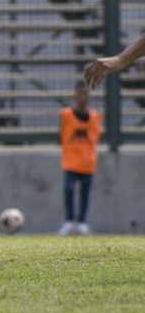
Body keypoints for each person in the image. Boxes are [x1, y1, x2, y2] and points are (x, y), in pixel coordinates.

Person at [58, 82, 102, 235]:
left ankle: (82, 222)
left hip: (87, 162)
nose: (83, 97)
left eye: (86, 93)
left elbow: (95, 138)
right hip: (70, 161)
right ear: (75, 96)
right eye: (80, 93)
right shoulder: (66, 115)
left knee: (85, 194)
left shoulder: (95, 117)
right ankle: (69, 221)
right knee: (69, 190)